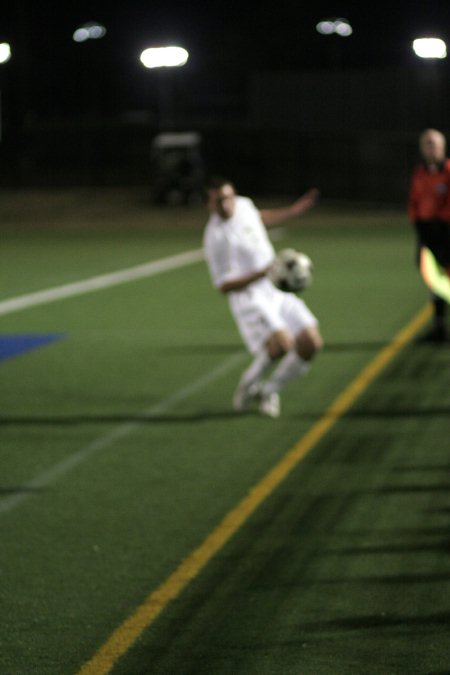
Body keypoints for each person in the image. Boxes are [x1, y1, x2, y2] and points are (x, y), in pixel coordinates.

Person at [203, 176, 323, 417]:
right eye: (218, 201)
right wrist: (262, 273)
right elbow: (223, 286)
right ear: (209, 204)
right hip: (249, 296)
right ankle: (248, 384)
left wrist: (292, 211)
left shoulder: (244, 205)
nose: (225, 204)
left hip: (274, 286)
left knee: (311, 343)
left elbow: (259, 217)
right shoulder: (214, 237)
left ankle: (269, 390)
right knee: (282, 344)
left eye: (228, 198)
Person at [408, 128, 450, 342]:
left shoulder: (449, 170)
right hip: (427, 235)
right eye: (426, 144)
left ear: (443, 147)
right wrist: (421, 231)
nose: (430, 148)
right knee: (435, 282)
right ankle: (439, 327)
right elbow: (414, 203)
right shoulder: (420, 172)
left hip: (446, 235)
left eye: (434, 143)